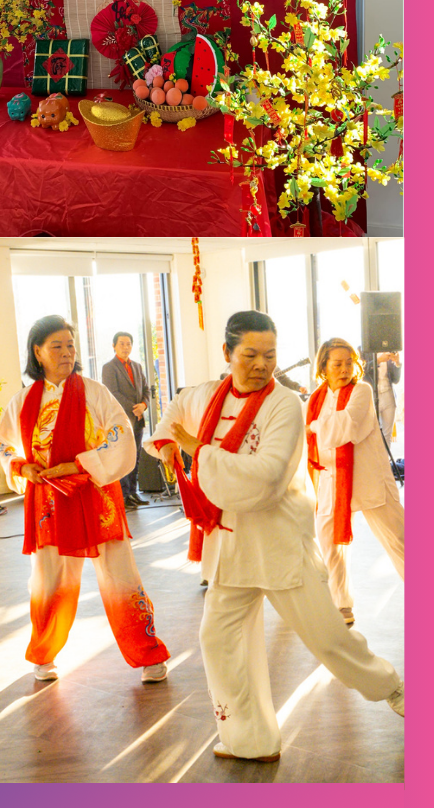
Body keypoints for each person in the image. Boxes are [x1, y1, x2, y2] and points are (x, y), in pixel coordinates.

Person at [148, 311, 404, 763]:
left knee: (330, 641)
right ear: (227, 353)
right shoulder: (205, 395)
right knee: (218, 641)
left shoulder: (285, 404)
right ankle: (250, 739)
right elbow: (173, 413)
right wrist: (168, 441)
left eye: (269, 355)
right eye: (249, 354)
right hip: (230, 547)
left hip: (279, 542)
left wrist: (195, 448)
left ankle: (396, 690)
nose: (261, 365)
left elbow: (265, 478)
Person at [0, 315, 170, 684]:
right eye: (56, 346)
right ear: (37, 352)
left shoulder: (94, 392)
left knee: (120, 575)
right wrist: (22, 466)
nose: (66, 353)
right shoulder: (23, 400)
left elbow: (121, 434)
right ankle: (44, 654)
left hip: (95, 494)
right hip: (49, 501)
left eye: (71, 345)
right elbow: (3, 443)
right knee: (48, 579)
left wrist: (78, 465)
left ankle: (147, 652)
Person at [306, 338, 404, 626]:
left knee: (399, 539)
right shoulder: (315, 400)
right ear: (323, 367)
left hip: (369, 479)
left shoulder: (362, 390)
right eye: (337, 364)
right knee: (330, 546)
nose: (345, 369)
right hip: (331, 481)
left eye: (349, 363)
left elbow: (346, 428)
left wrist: (314, 426)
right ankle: (341, 605)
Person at [101, 332, 152, 509]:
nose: (125, 347)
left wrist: (143, 405)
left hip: (138, 419)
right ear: (114, 346)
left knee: (135, 457)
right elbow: (112, 393)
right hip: (121, 421)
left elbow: (147, 390)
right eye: (121, 343)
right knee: (123, 458)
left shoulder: (137, 366)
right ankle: (123, 496)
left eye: (128, 343)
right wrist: (134, 408)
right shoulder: (109, 367)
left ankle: (132, 492)